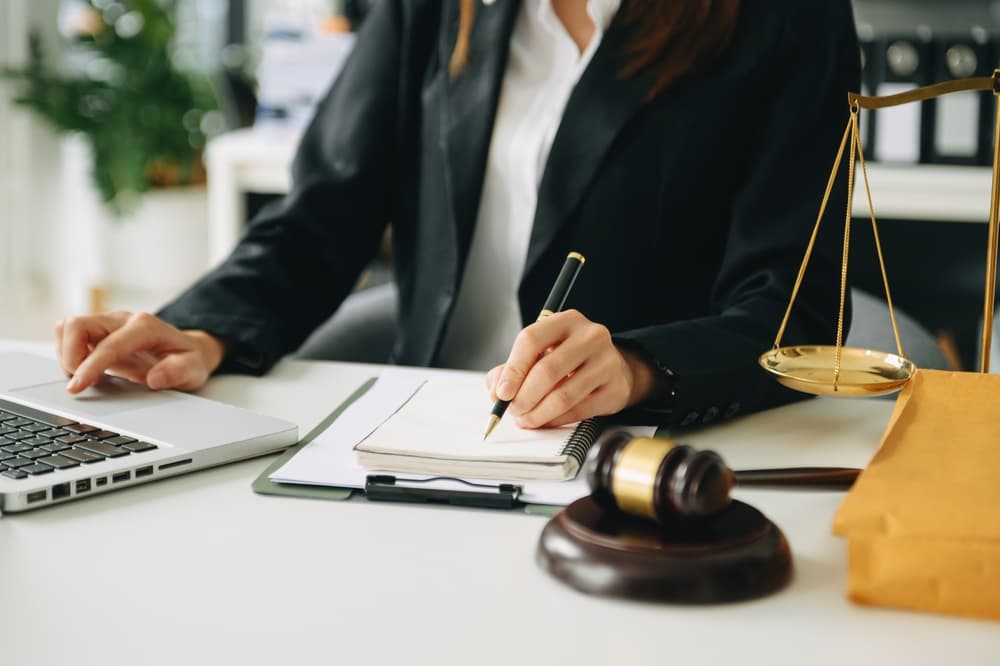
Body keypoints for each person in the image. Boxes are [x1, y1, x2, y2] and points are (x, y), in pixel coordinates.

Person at [56, 0, 860, 430]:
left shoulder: (788, 16)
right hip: (425, 437)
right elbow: (324, 212)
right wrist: (203, 330)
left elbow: (793, 303)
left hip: (640, 460)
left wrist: (636, 367)